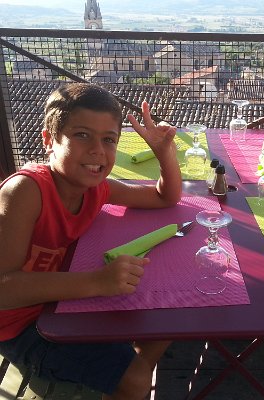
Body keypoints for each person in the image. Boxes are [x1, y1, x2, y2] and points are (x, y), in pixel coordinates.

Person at [0, 83, 182, 400]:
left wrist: (164, 153)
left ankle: (123, 369)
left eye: (108, 139)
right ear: (49, 141)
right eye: (82, 135)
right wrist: (98, 282)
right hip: (20, 326)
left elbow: (164, 197)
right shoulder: (25, 192)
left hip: (65, 301)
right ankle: (127, 374)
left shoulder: (97, 189)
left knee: (169, 313)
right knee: (137, 380)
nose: (98, 150)